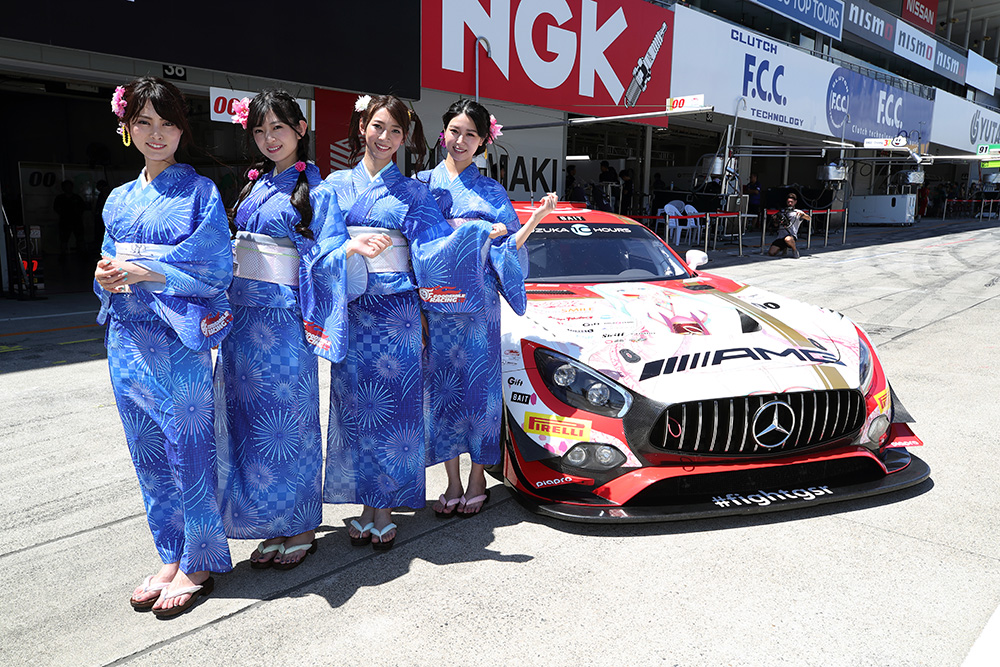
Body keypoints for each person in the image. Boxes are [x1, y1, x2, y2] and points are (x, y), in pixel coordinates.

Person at [216, 90, 388, 570]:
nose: (269, 138)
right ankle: (273, 522)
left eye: (278, 128)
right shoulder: (254, 186)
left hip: (285, 323)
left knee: (289, 424)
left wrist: (348, 251)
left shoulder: (319, 189)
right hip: (243, 322)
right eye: (260, 130)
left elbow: (327, 250)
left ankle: (302, 525)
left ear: (300, 129)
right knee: (251, 425)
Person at [323, 94, 496, 550]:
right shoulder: (334, 185)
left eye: (395, 131)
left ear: (405, 138)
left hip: (396, 313)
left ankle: (384, 508)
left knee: (392, 410)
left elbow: (433, 251)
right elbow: (319, 247)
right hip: (353, 308)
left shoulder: (414, 193)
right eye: (378, 127)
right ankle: (367, 503)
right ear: (363, 126)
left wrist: (475, 233)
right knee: (355, 408)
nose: (385, 138)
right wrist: (346, 249)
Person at [93, 77, 233, 618]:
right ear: (127, 128)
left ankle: (200, 560)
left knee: (189, 449)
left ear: (182, 130)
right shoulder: (118, 198)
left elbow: (214, 268)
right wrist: (106, 276)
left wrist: (145, 270)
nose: (157, 134)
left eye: (167, 123)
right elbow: (109, 260)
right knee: (147, 449)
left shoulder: (199, 193)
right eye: (144, 122)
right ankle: (170, 554)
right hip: (127, 337)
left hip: (177, 340)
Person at [416, 99, 556, 518]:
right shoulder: (423, 185)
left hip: (479, 306)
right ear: (443, 132)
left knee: (479, 391)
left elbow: (508, 247)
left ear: (483, 142)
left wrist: (534, 220)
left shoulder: (491, 191)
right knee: (442, 390)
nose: (460, 141)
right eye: (454, 131)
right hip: (437, 303)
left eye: (471, 135)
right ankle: (452, 481)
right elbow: (415, 246)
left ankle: (478, 477)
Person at [767, 191, 810, 258]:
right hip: (781, 236)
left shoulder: (797, 212)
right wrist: (775, 219)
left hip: (791, 236)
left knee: (788, 239)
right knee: (771, 253)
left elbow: (809, 218)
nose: (790, 203)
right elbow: (776, 225)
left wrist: (802, 215)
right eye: (788, 202)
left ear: (795, 202)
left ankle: (794, 250)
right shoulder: (782, 212)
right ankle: (783, 248)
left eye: (791, 202)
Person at [54, 180, 86, 254]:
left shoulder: (77, 198)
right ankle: (63, 255)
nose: (68, 188)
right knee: (63, 239)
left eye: (69, 186)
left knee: (80, 239)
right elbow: (56, 208)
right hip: (65, 222)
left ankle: (82, 254)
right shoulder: (60, 198)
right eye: (66, 186)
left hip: (77, 221)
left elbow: (82, 207)